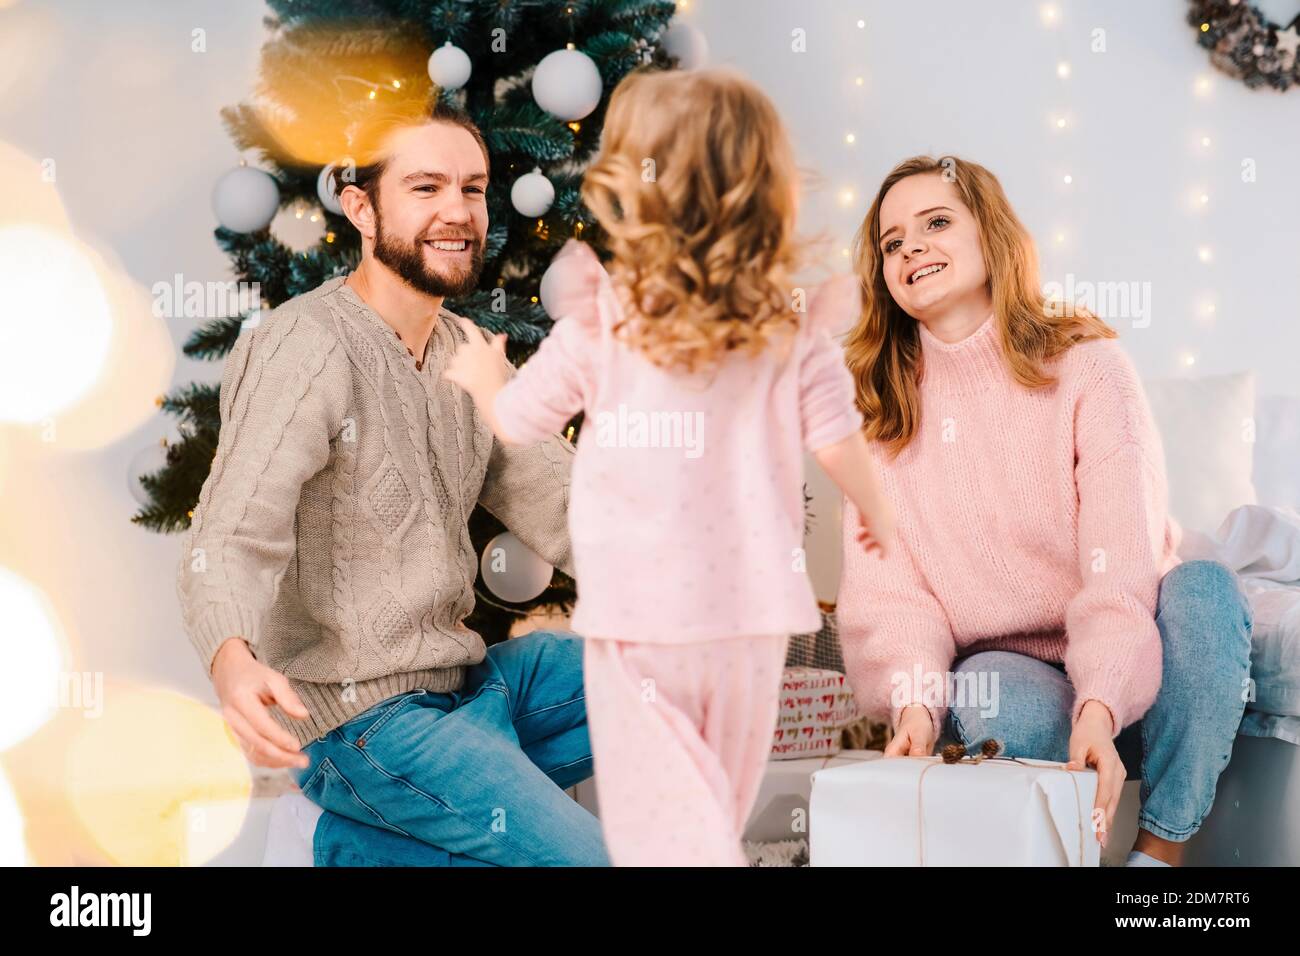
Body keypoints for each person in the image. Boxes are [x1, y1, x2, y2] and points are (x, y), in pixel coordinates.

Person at [443, 68, 896, 866]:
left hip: (643, 623)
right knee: (713, 812)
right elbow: (837, 441)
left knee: (665, 834)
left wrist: (486, 376)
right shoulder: (788, 324)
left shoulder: (604, 316)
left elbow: (519, 422)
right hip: (753, 621)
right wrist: (885, 519)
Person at [178, 99, 608, 866]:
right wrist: (232, 658)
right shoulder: (304, 345)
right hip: (362, 717)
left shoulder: (466, 352)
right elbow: (232, 531)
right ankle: (386, 809)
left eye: (473, 189)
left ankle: (367, 840)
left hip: (471, 688)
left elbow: (572, 510)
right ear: (361, 208)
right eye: (426, 187)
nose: (457, 211)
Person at [835, 155, 1253, 866]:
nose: (911, 248)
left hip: (1137, 648)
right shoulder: (881, 422)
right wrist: (914, 708)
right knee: (991, 694)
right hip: (1017, 678)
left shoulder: (1087, 364)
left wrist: (1102, 702)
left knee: (1205, 590)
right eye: (892, 242)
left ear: (989, 234)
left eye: (936, 222)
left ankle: (1159, 854)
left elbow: (1122, 567)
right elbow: (894, 599)